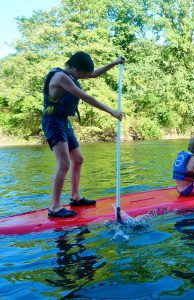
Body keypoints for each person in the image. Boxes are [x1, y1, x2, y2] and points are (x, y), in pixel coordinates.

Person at [42, 51, 124, 218]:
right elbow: (85, 97)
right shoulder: (61, 77)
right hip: (53, 121)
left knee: (78, 159)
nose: (85, 77)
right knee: (64, 163)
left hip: (63, 121)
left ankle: (75, 197)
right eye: (84, 74)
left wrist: (115, 62)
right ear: (76, 68)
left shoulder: (73, 74)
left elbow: (93, 74)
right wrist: (112, 112)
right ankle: (55, 207)